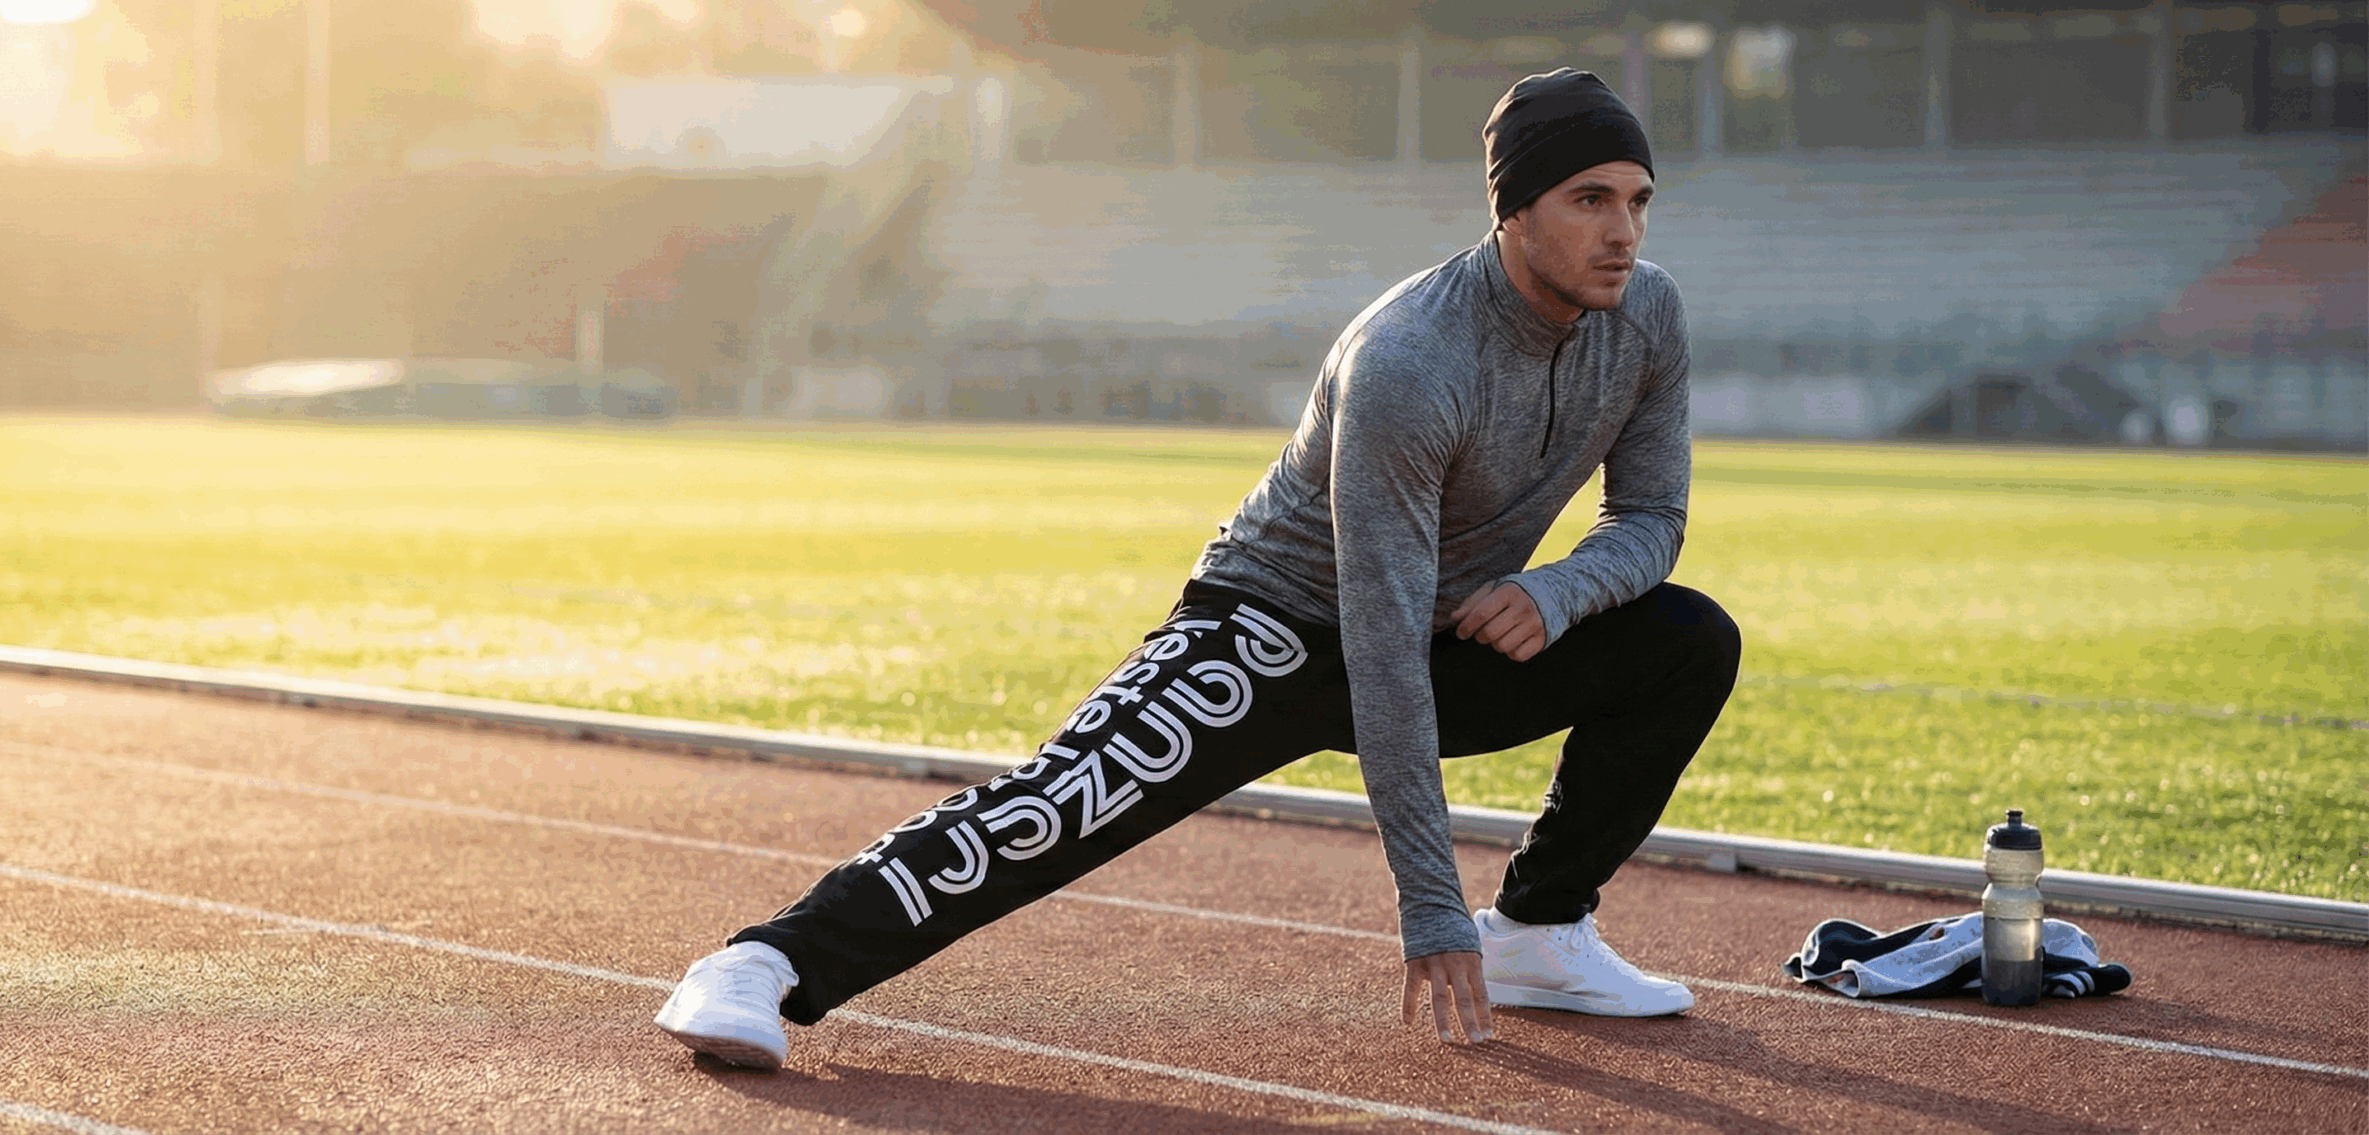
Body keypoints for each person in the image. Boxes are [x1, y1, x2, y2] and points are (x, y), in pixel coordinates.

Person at [655, 68, 1740, 1070]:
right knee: (1059, 803)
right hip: (1269, 623)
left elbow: (1650, 519)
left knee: (1685, 641)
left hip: (1444, 625)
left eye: (1639, 201)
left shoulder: (1647, 315)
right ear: (1512, 209)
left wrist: (1553, 592)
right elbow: (1375, 635)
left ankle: (1542, 930)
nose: (1624, 232)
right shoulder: (1410, 358)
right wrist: (1430, 906)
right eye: (1589, 200)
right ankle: (767, 962)